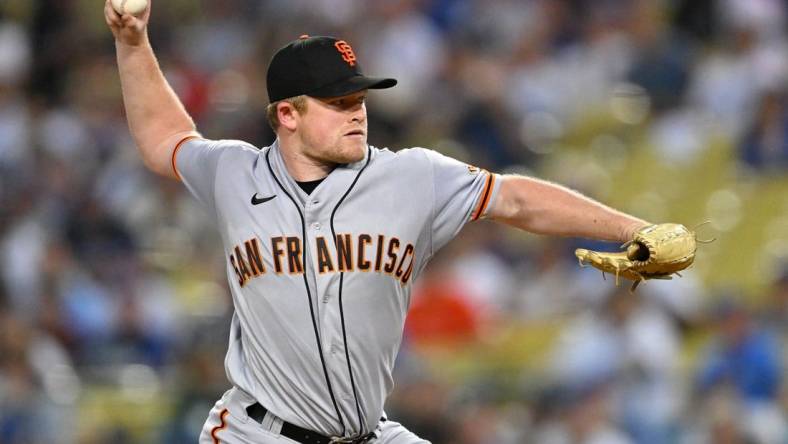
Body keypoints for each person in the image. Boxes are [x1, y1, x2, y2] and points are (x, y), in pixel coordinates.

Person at [105, 2, 660, 443]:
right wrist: (133, 43)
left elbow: (514, 198)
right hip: (257, 433)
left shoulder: (412, 176)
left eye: (359, 97)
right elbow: (165, 141)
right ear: (286, 115)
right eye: (337, 101)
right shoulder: (234, 173)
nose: (357, 110)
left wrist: (631, 228)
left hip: (365, 432)